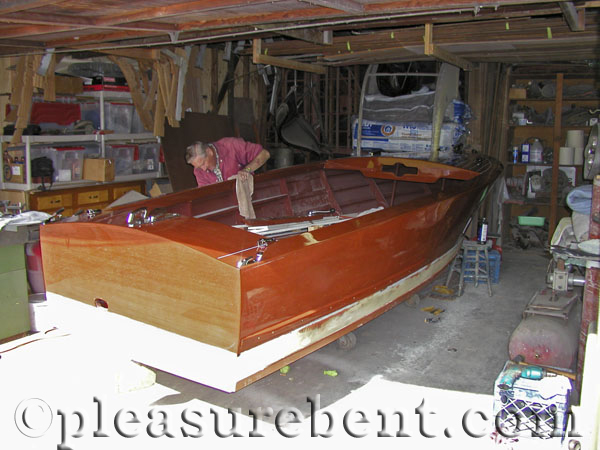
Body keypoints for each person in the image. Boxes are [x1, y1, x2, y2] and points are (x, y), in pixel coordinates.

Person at [185, 137, 270, 187]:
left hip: (249, 196)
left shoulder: (231, 146)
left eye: (203, 163)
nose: (203, 169)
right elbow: (206, 194)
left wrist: (247, 170)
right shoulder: (198, 170)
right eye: (199, 167)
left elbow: (264, 154)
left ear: (209, 152)